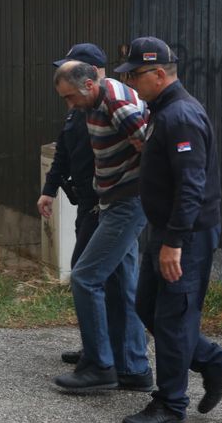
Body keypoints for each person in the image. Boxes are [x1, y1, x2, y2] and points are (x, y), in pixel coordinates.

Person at [114, 36, 222, 423]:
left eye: (135, 75)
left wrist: (174, 242)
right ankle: (215, 362)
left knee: (172, 317)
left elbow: (192, 185)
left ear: (158, 73)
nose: (131, 84)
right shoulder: (162, 110)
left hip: (184, 236)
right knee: (148, 307)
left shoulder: (180, 115)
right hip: (167, 230)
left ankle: (171, 405)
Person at [51, 60, 153, 393]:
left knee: (85, 276)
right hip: (113, 201)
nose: (69, 105)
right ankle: (134, 369)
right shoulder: (97, 101)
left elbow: (152, 148)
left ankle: (99, 366)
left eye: (69, 98)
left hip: (128, 203)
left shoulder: (116, 102)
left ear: (89, 85)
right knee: (122, 285)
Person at [39, 43, 109, 366]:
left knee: (88, 275)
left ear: (90, 73)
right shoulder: (75, 110)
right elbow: (63, 153)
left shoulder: (107, 109)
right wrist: (49, 190)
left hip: (105, 208)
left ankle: (101, 354)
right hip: (85, 206)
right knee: (84, 274)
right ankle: (94, 346)